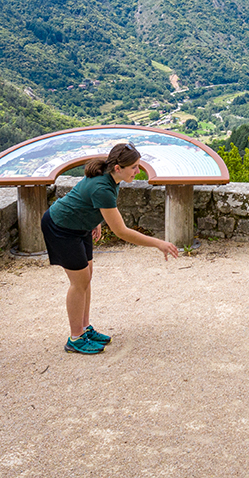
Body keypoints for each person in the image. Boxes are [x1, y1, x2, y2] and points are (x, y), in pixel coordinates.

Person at [42, 142, 180, 354]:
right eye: (134, 166)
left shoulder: (110, 178)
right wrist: (158, 243)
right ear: (118, 167)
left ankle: (84, 328)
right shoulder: (102, 186)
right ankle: (75, 338)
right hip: (61, 228)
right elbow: (122, 232)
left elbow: (84, 198)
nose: (138, 170)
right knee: (79, 282)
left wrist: (95, 219)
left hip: (80, 226)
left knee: (87, 277)